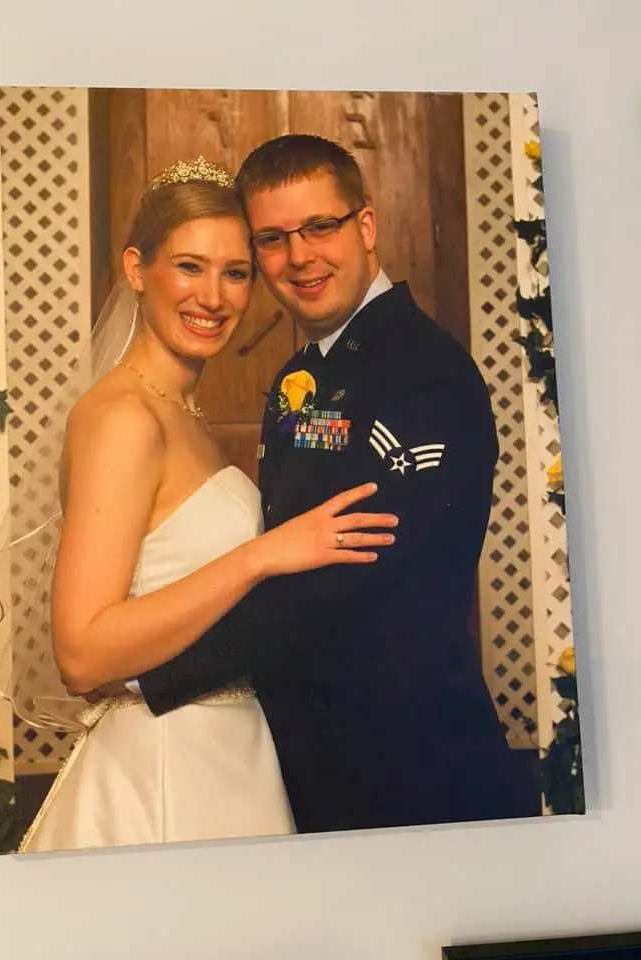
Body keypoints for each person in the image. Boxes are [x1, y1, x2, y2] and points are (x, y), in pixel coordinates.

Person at [131, 135, 539, 834]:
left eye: (321, 226)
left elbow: (342, 580)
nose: (300, 257)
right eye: (274, 238)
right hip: (310, 771)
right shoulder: (311, 372)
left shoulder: (421, 373)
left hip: (410, 778)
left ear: (367, 226)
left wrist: (151, 678)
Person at [8, 157, 398, 853]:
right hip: (167, 772)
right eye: (189, 267)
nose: (213, 297)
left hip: (234, 757)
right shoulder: (123, 418)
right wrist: (259, 557)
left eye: (236, 272)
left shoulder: (185, 414)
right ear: (136, 269)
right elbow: (83, 651)